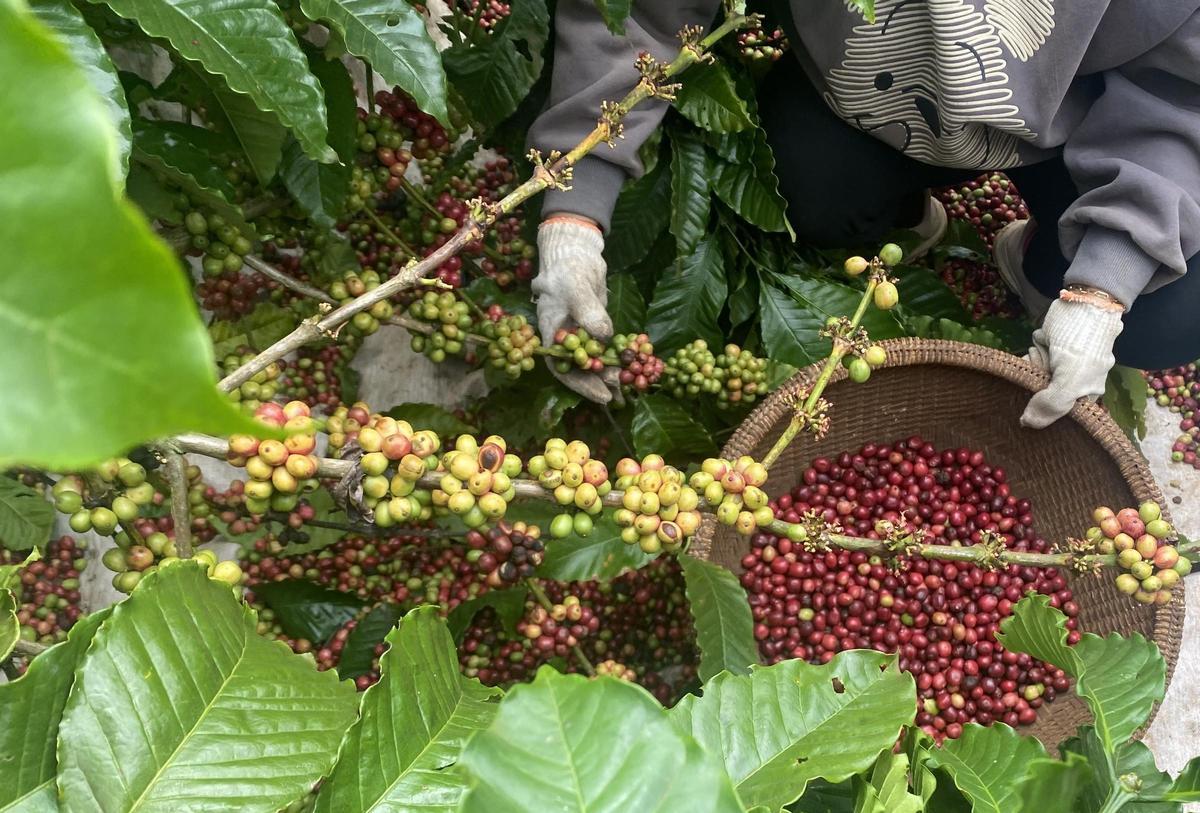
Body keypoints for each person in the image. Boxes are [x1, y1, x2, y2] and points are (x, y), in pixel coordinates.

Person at [527, 0, 1200, 427]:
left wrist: (1103, 282)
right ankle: (904, 211)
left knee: (1172, 312)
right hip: (869, 102)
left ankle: (1039, 257)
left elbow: (1177, 94)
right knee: (805, 191)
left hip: (1072, 126)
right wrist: (574, 211)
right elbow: (644, 12)